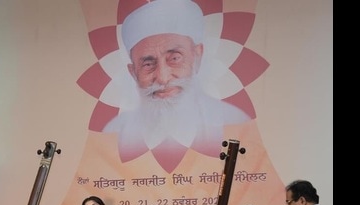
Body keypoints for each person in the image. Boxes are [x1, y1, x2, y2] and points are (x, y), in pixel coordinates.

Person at [103, 0, 251, 161]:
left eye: (174, 58)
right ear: (133, 73)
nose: (163, 78)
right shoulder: (114, 133)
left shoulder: (235, 122)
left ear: (197, 56)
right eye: (148, 64)